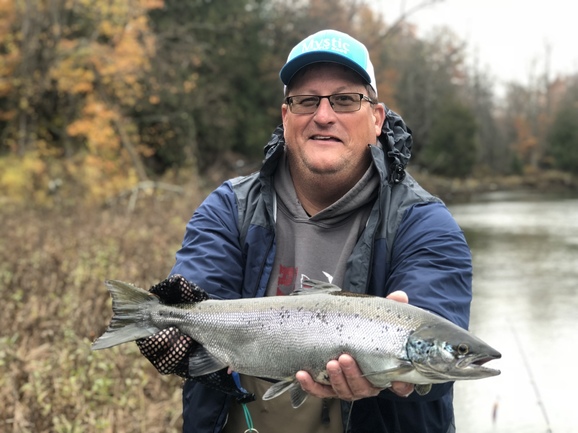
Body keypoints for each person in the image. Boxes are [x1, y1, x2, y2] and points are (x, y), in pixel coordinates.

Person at [139, 29, 472, 433]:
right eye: (306, 101)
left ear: (377, 118)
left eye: (346, 100)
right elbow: (201, 309)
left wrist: (400, 379)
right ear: (286, 116)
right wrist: (179, 337)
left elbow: (441, 367)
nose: (324, 115)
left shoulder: (424, 224)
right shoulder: (230, 208)